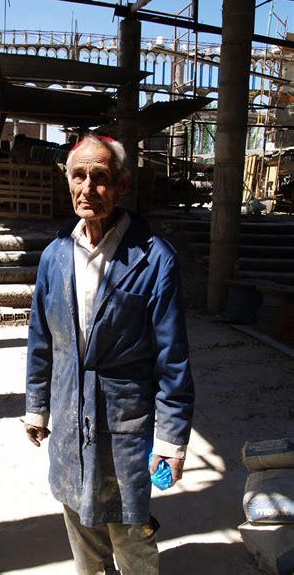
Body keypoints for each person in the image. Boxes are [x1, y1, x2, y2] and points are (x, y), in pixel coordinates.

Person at [24, 135, 194, 575]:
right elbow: (42, 339)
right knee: (79, 521)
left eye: (100, 178)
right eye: (78, 176)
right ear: (67, 181)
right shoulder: (55, 256)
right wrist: (37, 408)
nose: (88, 188)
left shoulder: (155, 258)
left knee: (129, 526)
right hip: (68, 413)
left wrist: (171, 442)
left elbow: (172, 359)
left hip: (126, 422)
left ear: (121, 185)